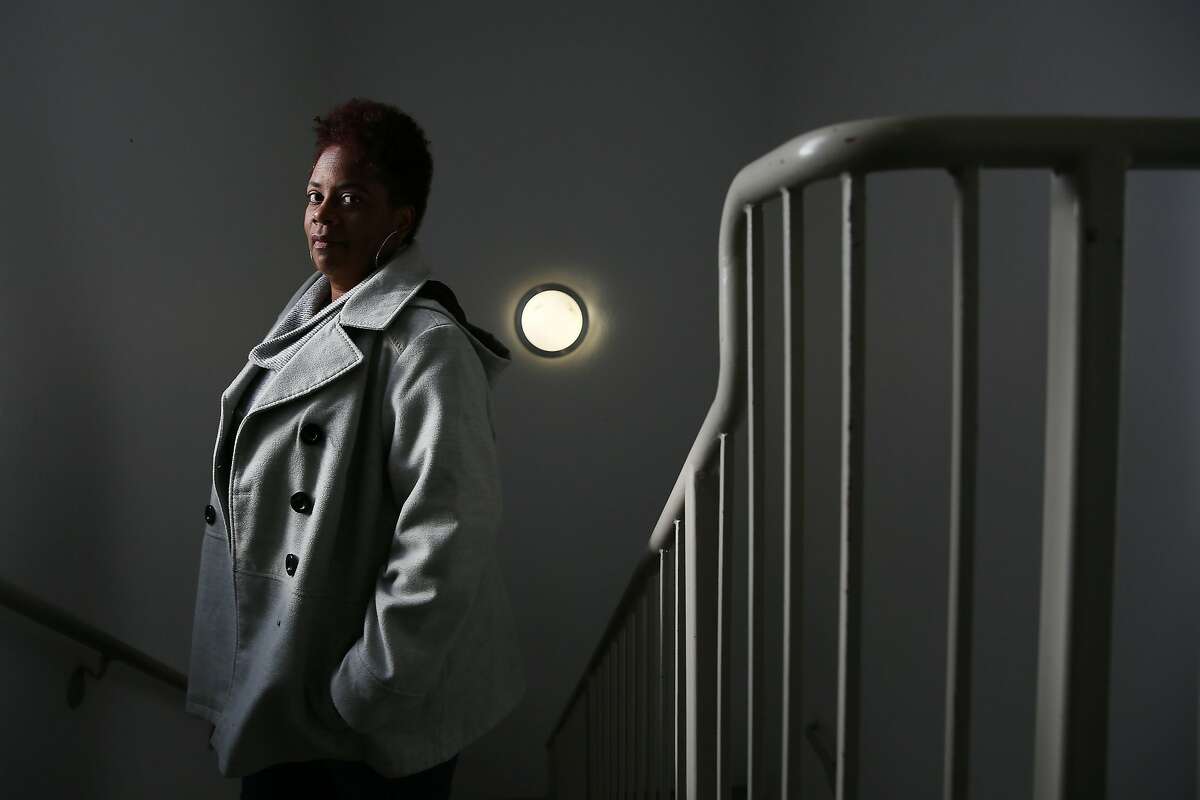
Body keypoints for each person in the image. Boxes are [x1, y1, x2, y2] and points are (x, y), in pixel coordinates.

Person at [183, 98, 525, 798]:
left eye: (350, 198)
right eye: (314, 195)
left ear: (399, 220)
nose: (322, 215)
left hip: (365, 712)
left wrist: (368, 687)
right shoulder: (305, 319)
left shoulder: (424, 342)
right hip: (291, 673)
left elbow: (448, 532)